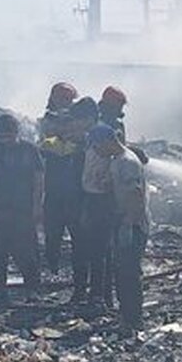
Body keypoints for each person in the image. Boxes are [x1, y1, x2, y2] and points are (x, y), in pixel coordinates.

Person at [0, 114, 44, 297]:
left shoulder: (29, 150)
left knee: (26, 249)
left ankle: (32, 287)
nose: (5, 140)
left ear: (17, 132)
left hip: (23, 209)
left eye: (9, 136)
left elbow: (38, 179)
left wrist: (37, 206)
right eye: (2, 137)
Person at [37, 82, 85, 276]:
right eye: (64, 99)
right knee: (53, 234)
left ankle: (79, 274)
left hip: (76, 188)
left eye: (70, 100)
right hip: (54, 187)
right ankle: (52, 270)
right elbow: (50, 147)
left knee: (78, 236)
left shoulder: (78, 122)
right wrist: (70, 140)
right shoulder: (46, 122)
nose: (67, 104)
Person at [78, 98, 118, 305]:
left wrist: (107, 181)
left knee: (99, 249)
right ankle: (101, 294)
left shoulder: (101, 133)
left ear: (89, 118)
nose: (77, 124)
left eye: (80, 120)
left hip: (101, 199)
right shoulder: (92, 134)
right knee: (97, 249)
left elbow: (111, 157)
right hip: (93, 196)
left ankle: (99, 294)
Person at [110, 130, 150, 327]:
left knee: (129, 273)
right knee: (123, 272)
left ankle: (133, 319)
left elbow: (135, 193)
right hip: (127, 222)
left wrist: (128, 222)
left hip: (133, 225)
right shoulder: (120, 159)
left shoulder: (127, 162)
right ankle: (127, 316)